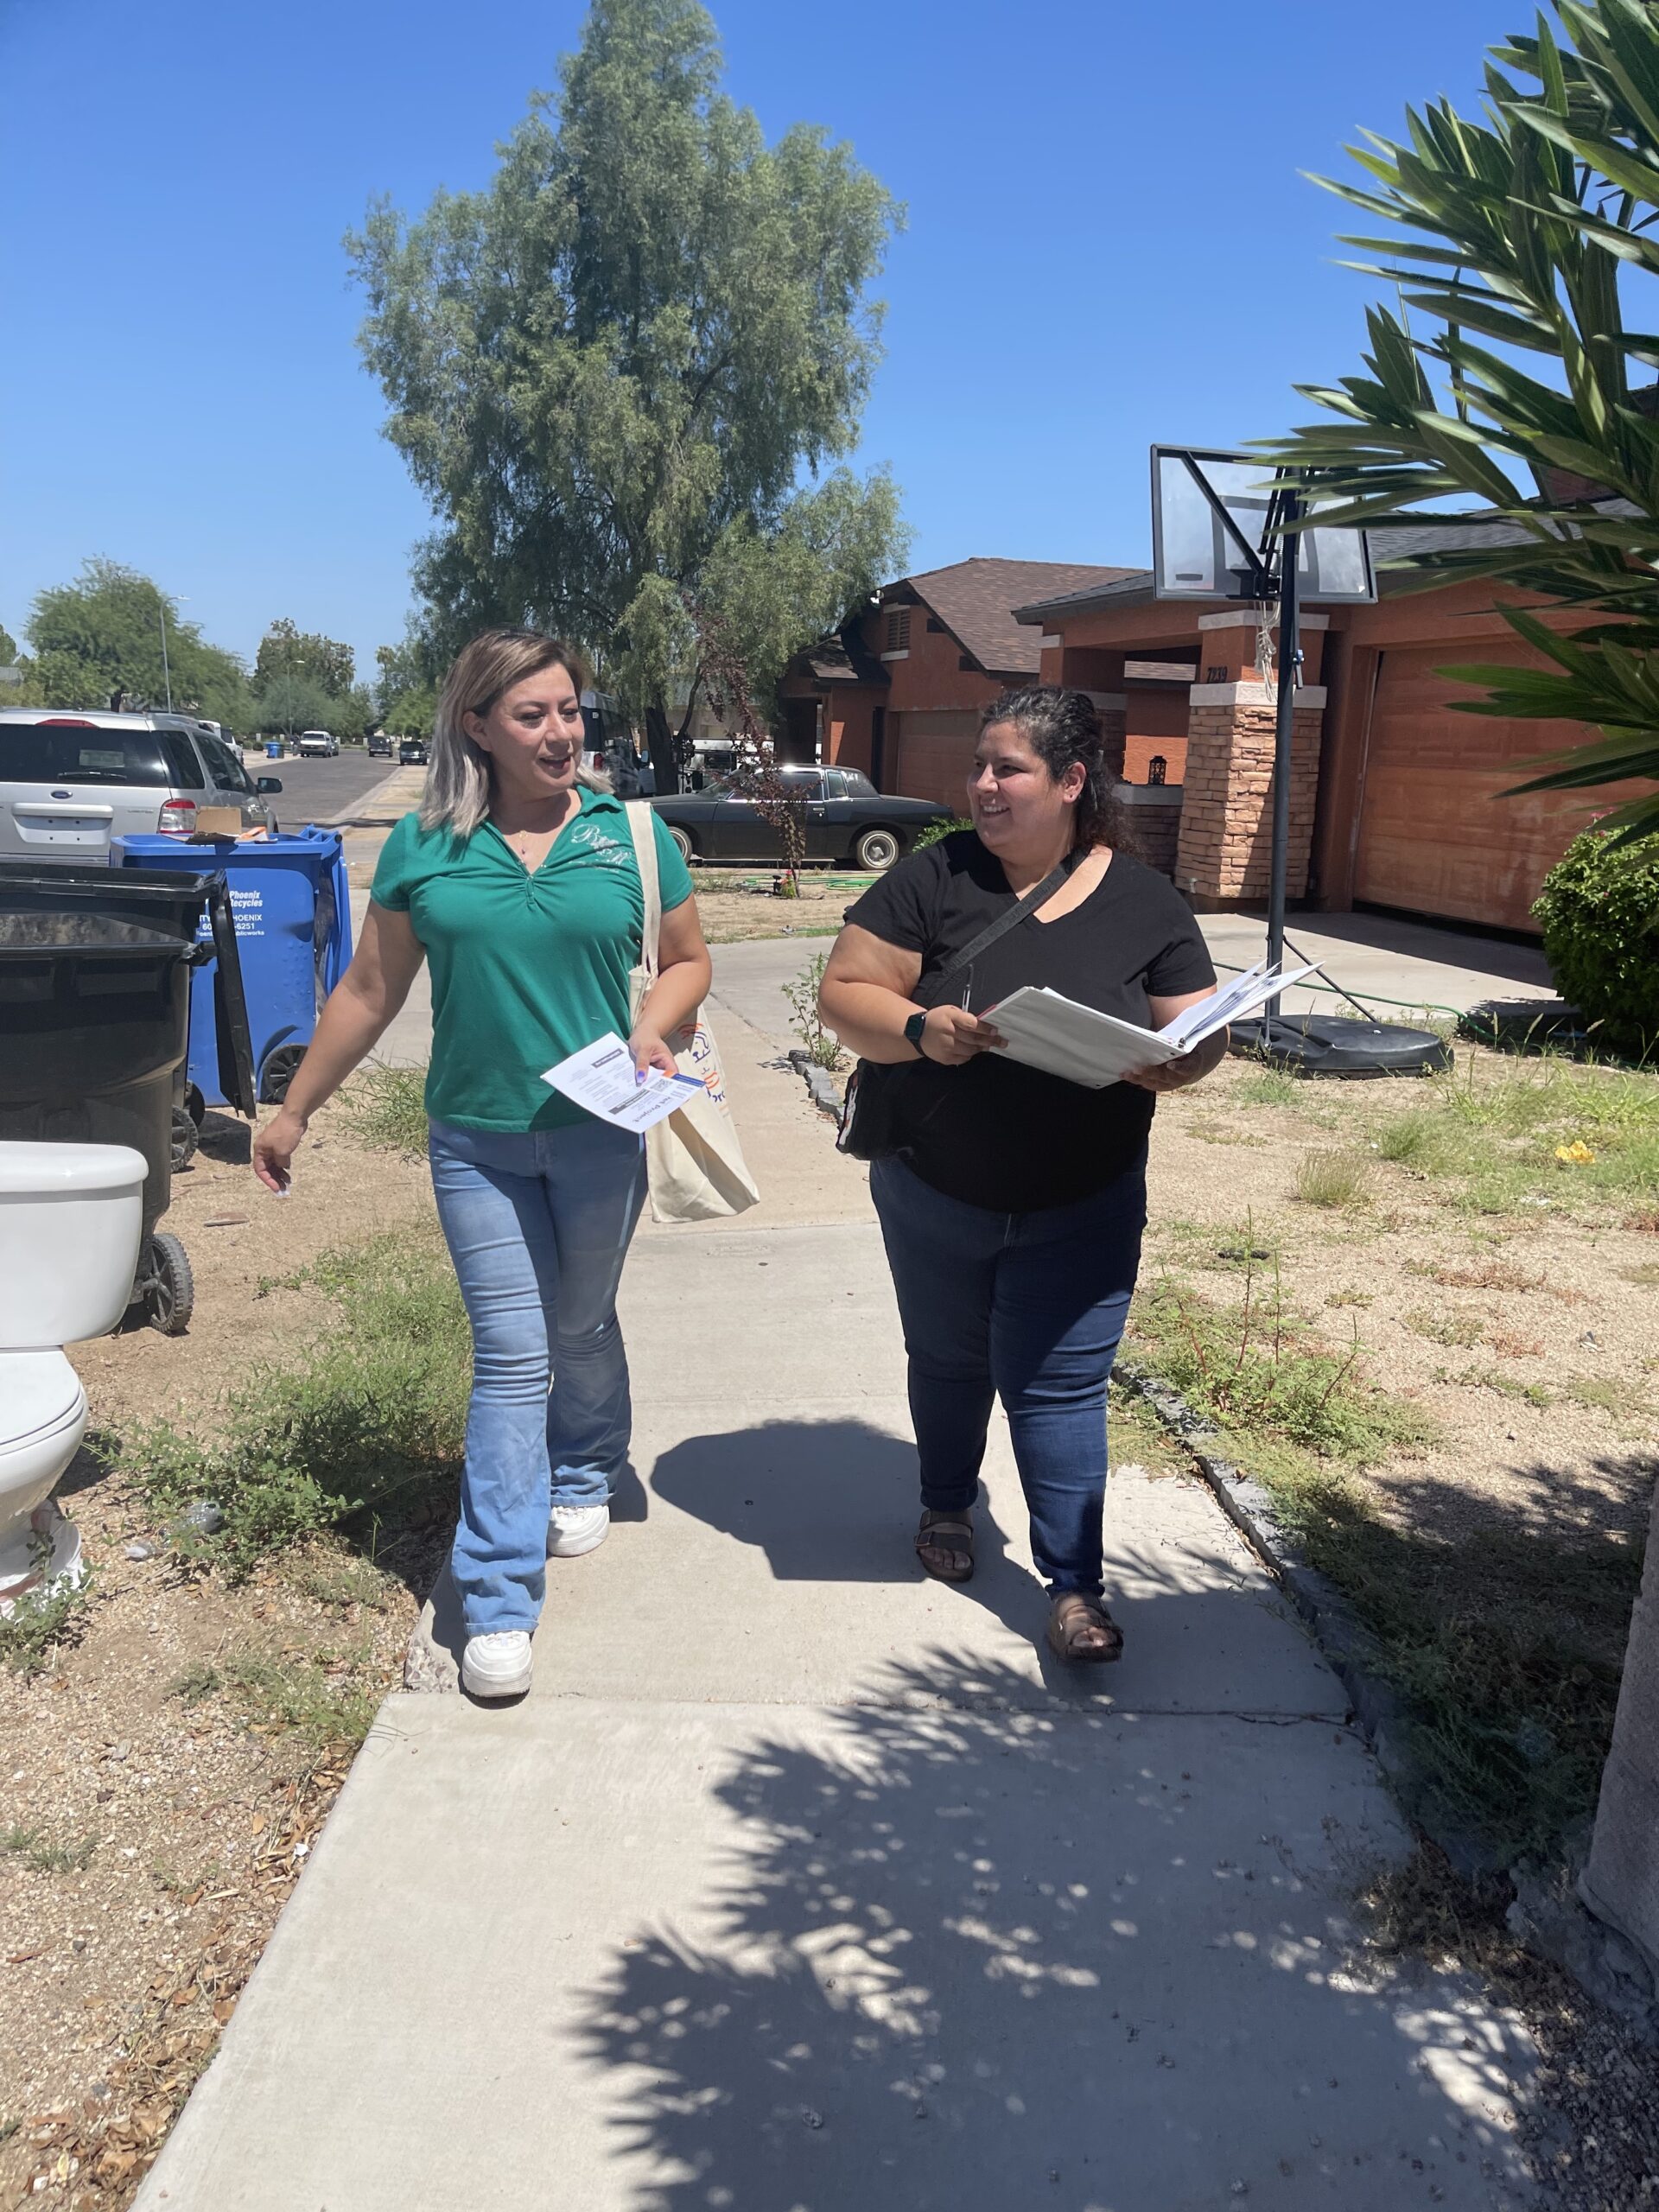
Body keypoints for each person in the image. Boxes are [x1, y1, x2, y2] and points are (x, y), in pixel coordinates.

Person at [253, 628, 710, 1701]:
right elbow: (370, 989)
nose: (561, 733)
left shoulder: (631, 834)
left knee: (581, 1320)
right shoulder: (423, 844)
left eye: (570, 711)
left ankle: (589, 1463)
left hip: (603, 1132)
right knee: (511, 1354)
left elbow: (688, 962)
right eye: (532, 715)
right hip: (475, 1140)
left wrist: (655, 1026)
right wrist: (295, 1110)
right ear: (478, 726)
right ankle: (499, 1594)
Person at [817, 687, 1224, 1664]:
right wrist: (920, 1027)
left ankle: (1076, 1589)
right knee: (950, 1361)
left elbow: (1200, 1025)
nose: (984, 787)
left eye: (1009, 769)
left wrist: (1183, 1059)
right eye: (980, 768)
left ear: (1073, 781)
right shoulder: (936, 876)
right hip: (936, 1189)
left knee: (1062, 1387)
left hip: (1082, 1200)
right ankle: (947, 1505)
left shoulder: (1145, 899)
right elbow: (844, 992)